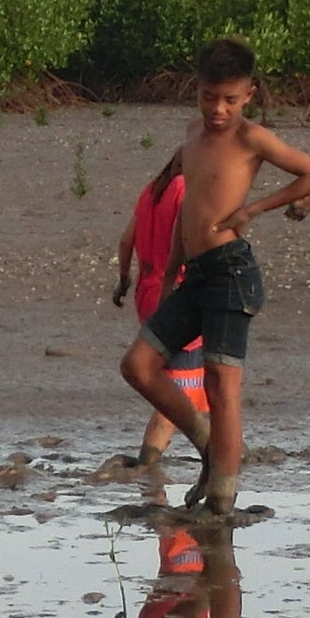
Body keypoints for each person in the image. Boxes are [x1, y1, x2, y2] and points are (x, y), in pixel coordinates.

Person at [118, 38, 310, 510]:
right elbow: (187, 208)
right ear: (196, 90)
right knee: (137, 366)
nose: (218, 109)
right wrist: (172, 269)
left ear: (249, 94)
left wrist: (253, 209)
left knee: (220, 382)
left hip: (232, 272)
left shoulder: (251, 138)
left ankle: (222, 498)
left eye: (230, 100)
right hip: (194, 275)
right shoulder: (193, 135)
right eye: (209, 97)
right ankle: (209, 446)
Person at [109, 149, 208, 466]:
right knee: (179, 391)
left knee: (200, 386)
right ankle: (148, 465)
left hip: (147, 294)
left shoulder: (152, 190)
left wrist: (124, 279)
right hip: (175, 295)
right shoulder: (184, 190)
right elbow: (192, 242)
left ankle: (220, 451)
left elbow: (126, 241)